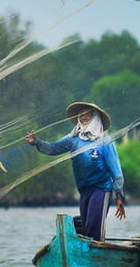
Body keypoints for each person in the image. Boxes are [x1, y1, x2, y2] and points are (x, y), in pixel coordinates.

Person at [25, 102, 126, 241]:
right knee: (85, 226)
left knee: (94, 227)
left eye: (87, 114)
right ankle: (81, 253)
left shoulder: (105, 142)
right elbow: (53, 148)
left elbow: (116, 172)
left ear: (95, 117)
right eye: (81, 114)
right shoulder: (73, 139)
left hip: (101, 189)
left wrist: (119, 197)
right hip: (84, 190)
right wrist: (35, 141)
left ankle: (95, 256)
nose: (83, 117)